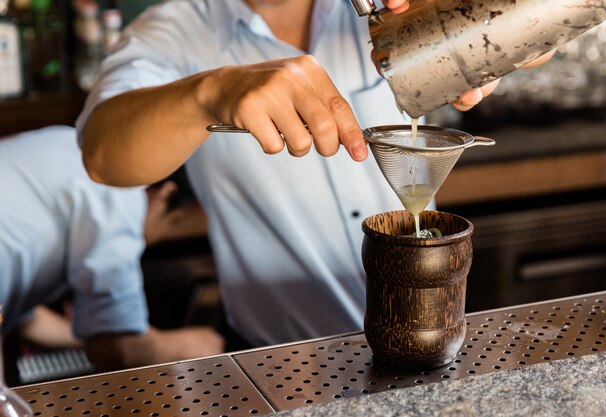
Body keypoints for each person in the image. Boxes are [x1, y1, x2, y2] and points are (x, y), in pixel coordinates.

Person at [77, 0, 551, 347]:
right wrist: (210, 91)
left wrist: (490, 16)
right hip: (284, 365)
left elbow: (548, 23)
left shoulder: (376, 7)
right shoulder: (175, 32)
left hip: (427, 337)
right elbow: (102, 153)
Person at [0, 125, 224, 372]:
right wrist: (190, 345)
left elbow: (27, 320)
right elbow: (119, 352)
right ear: (164, 196)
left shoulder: (75, 144)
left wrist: (90, 336)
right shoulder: (120, 188)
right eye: (173, 225)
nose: (150, 242)